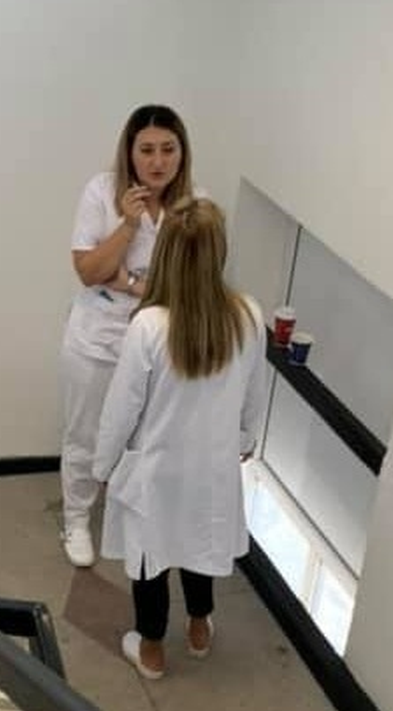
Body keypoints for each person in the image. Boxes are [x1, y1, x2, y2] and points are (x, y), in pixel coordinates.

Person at [92, 197, 267, 679]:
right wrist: (245, 439)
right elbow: (255, 392)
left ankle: (150, 649)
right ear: (220, 252)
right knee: (201, 544)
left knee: (150, 558)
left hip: (158, 470)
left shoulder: (149, 325)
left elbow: (121, 409)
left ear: (165, 252)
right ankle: (198, 627)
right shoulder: (249, 316)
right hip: (213, 468)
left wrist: (103, 466)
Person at [58, 105, 200, 567]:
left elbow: (191, 283)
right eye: (147, 150)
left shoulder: (195, 205)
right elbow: (89, 271)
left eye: (168, 149)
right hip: (97, 338)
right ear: (130, 152)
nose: (158, 161)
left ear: (182, 153)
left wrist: (128, 282)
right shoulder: (101, 191)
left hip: (159, 342)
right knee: (85, 435)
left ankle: (137, 518)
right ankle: (76, 520)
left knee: (146, 437)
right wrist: (128, 224)